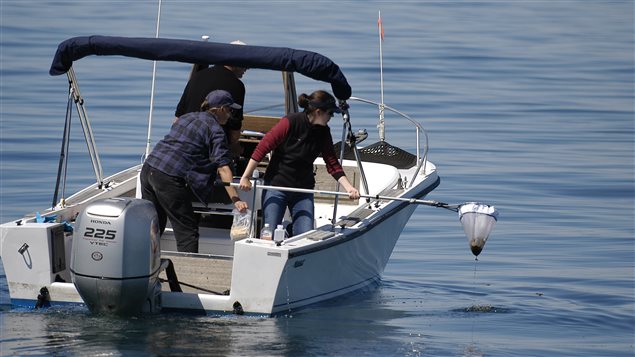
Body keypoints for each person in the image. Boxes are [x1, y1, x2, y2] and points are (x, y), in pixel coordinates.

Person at [238, 90, 360, 237]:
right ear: (318, 112)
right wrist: (246, 176)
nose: (331, 117)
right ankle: (280, 234)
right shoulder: (290, 122)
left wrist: (349, 188)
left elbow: (332, 163)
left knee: (305, 235)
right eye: (330, 113)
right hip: (277, 185)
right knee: (268, 233)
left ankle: (288, 231)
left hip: (303, 189)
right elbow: (263, 147)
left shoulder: (324, 133)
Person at [141, 90, 249, 253]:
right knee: (188, 232)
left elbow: (181, 144)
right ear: (220, 109)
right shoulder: (216, 130)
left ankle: (142, 266)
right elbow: (223, 168)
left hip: (149, 168)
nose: (230, 115)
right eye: (229, 110)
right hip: (168, 177)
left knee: (154, 225)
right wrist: (235, 199)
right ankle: (187, 274)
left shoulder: (187, 117)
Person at [174, 40, 248, 158]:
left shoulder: (197, 77)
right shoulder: (237, 85)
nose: (247, 68)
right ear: (235, 61)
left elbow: (177, 120)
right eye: (245, 63)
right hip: (209, 150)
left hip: (182, 144)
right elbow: (234, 133)